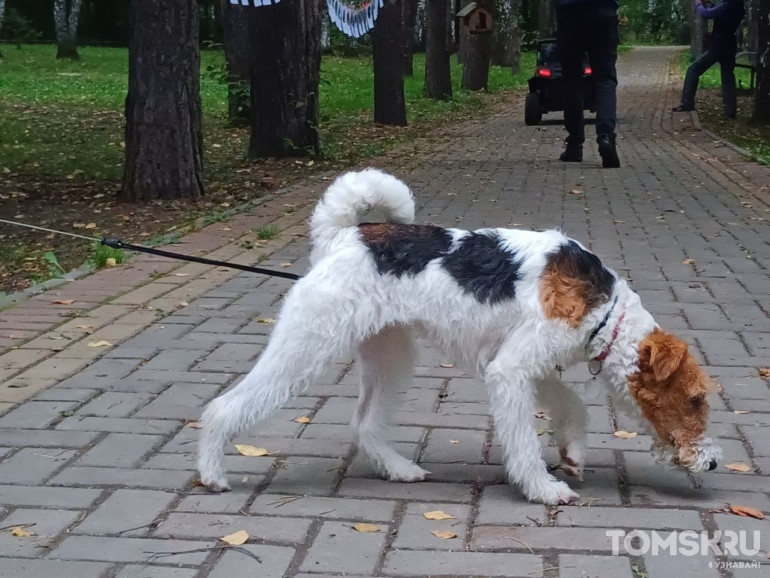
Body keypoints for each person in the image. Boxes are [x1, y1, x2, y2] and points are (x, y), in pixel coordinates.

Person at [555, 0, 621, 168]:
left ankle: (575, 145)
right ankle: (606, 137)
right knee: (605, 78)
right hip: (603, 12)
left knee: (572, 78)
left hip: (569, 14)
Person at [673, 0, 745, 118]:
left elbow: (706, 14)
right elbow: (723, 18)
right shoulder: (737, 5)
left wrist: (698, 4)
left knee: (693, 70)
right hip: (730, 44)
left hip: (719, 45)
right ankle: (730, 111)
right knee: (728, 77)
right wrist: (711, 4)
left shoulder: (728, 4)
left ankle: (686, 103)